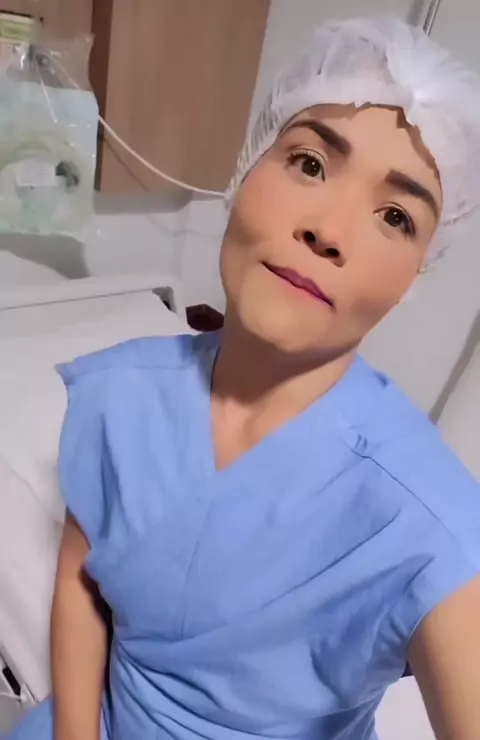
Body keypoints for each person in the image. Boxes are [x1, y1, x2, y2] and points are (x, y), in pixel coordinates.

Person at [7, 15, 480, 740]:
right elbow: (82, 582)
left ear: (413, 276)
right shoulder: (122, 398)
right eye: (310, 164)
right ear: (246, 171)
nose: (327, 230)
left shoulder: (423, 517)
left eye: (394, 215)